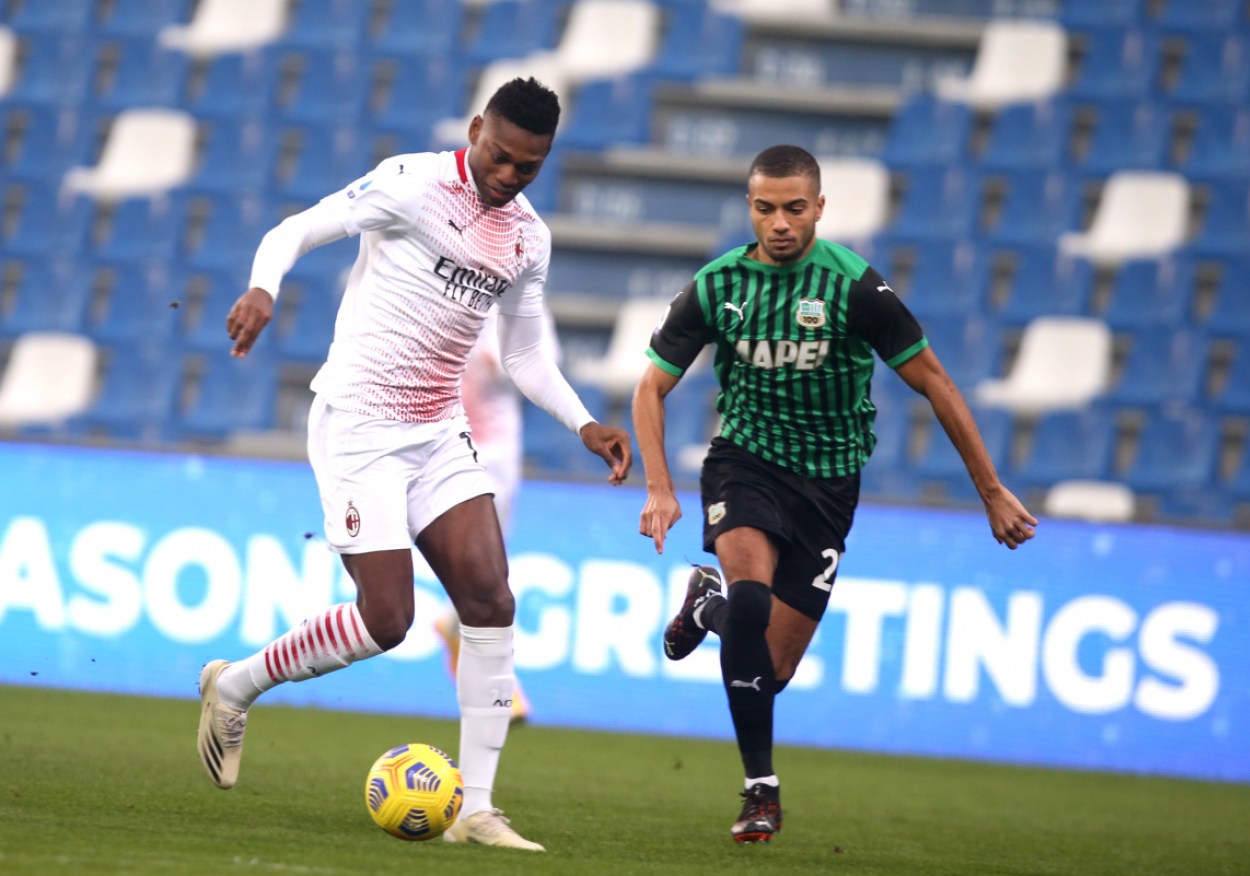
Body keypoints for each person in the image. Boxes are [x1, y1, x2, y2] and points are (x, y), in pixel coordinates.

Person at [197, 77, 631, 853]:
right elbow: (294, 229)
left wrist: (586, 422)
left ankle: (477, 810)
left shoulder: (528, 238)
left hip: (436, 432)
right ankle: (234, 685)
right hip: (359, 427)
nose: (507, 176)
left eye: (527, 168)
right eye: (498, 156)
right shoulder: (410, 183)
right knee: (387, 621)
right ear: (475, 129)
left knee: (491, 599)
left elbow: (525, 353)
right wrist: (264, 289)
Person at [632, 145, 1036, 844]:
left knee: (773, 668)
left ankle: (706, 603)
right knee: (754, 602)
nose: (780, 223)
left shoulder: (853, 288)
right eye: (765, 208)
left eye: (794, 208)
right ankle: (760, 790)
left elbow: (935, 381)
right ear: (749, 206)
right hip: (744, 465)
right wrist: (659, 488)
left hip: (827, 487)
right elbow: (650, 386)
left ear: (819, 207)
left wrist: (991, 491)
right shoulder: (717, 285)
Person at [432, 304, 559, 723]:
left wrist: (504, 364)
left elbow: (545, 365)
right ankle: (495, 687)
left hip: (496, 453)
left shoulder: (523, 303)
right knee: (476, 573)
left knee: (490, 571)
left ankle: (470, 651)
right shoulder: (444, 289)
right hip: (442, 441)